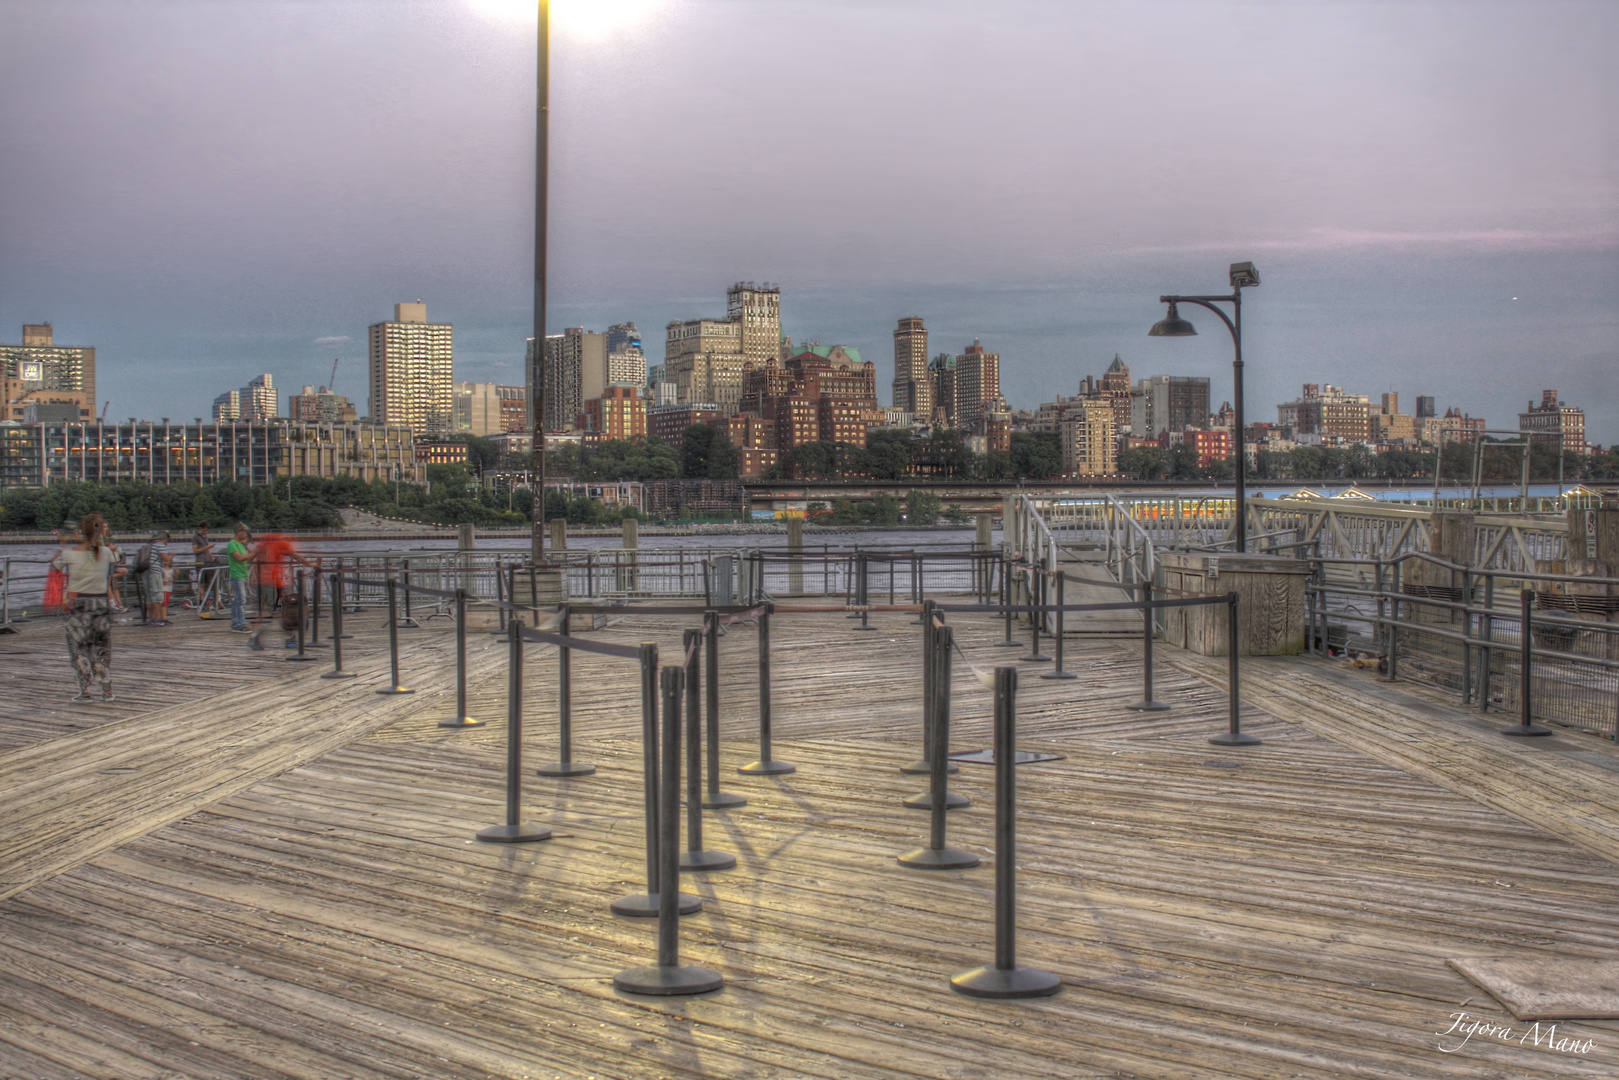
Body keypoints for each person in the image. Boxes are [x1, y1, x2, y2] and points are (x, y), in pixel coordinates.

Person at [53, 515, 117, 701]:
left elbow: (56, 565)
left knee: (78, 647)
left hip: (78, 604)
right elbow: (115, 558)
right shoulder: (105, 552)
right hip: (101, 603)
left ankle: (85, 689)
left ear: (80, 532)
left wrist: (62, 543)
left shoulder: (71, 553)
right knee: (102, 647)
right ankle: (107, 690)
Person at [249, 531, 314, 650]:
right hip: (273, 581)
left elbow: (252, 559)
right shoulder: (281, 542)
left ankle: (257, 635)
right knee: (280, 611)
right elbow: (294, 554)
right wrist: (308, 563)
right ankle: (257, 636)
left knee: (264, 610)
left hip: (260, 581)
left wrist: (253, 576)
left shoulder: (263, 543)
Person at [140, 531, 172, 626]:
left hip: (146, 571)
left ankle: (151, 619)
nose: (167, 542)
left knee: (149, 597)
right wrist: (170, 557)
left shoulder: (150, 545)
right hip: (155, 572)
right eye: (167, 539)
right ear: (164, 538)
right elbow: (165, 558)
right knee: (157, 595)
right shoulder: (160, 545)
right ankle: (158, 619)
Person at [226, 525, 254, 633]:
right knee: (240, 600)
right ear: (238, 532)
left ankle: (236, 623)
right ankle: (239, 624)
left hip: (243, 574)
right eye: (244, 532)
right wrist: (253, 553)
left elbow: (248, 558)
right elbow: (240, 558)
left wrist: (248, 549)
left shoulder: (241, 545)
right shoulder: (232, 544)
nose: (245, 535)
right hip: (237, 575)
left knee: (239, 600)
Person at [191, 521, 222, 617]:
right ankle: (202, 601)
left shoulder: (205, 537)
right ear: (201, 528)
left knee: (209, 582)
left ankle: (208, 600)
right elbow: (195, 551)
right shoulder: (196, 537)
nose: (206, 532)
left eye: (207, 530)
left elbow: (207, 549)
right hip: (200, 562)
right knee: (202, 583)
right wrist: (207, 547)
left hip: (207, 562)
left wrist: (211, 556)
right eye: (205, 530)